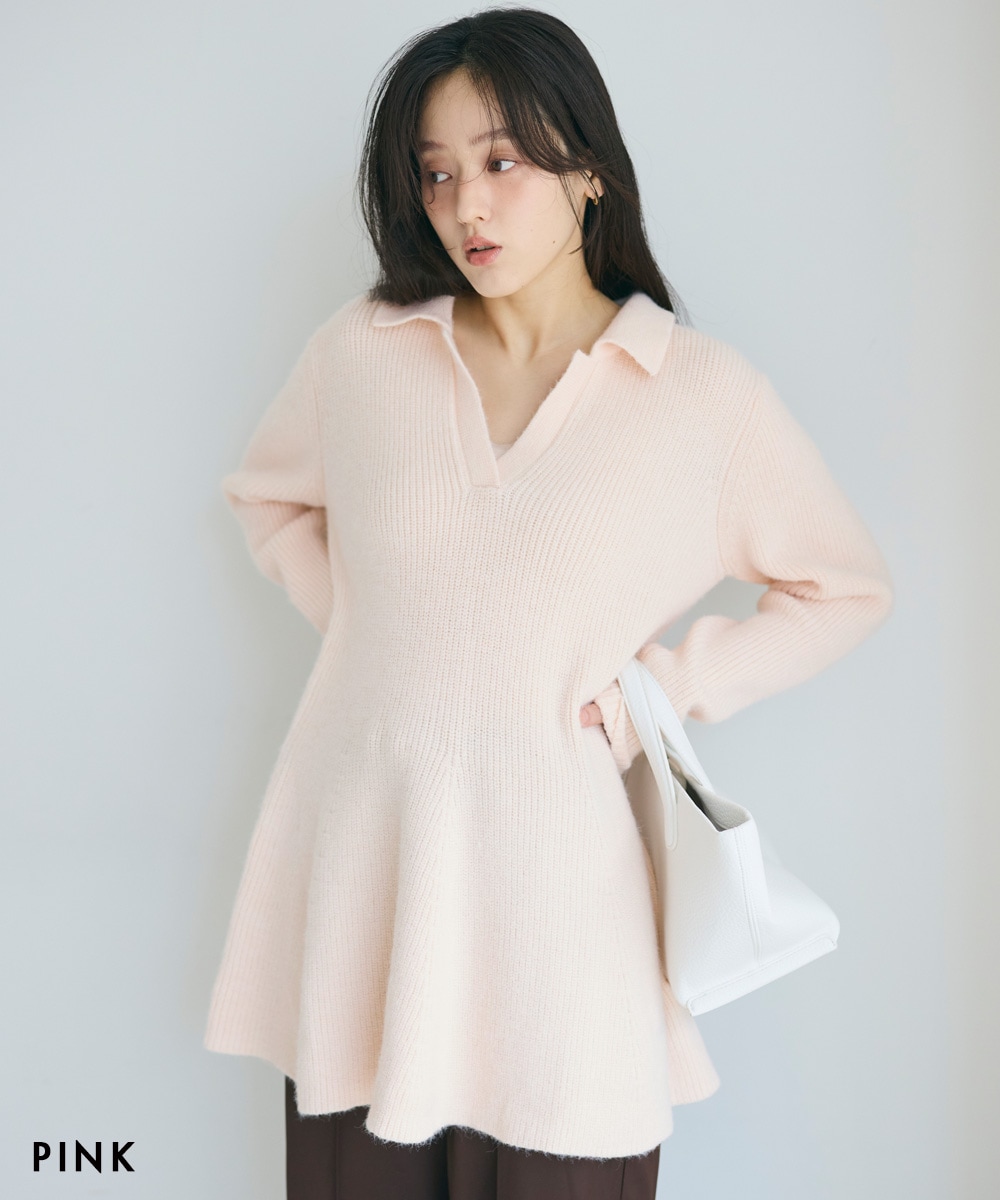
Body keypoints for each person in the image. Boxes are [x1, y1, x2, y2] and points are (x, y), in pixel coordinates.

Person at [203, 7, 895, 1198]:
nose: (464, 206)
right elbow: (268, 500)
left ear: (588, 171)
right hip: (369, 910)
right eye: (435, 173)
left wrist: (660, 692)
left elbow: (842, 587)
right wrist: (379, 639)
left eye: (501, 163)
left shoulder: (700, 399)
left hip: (564, 940)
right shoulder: (363, 354)